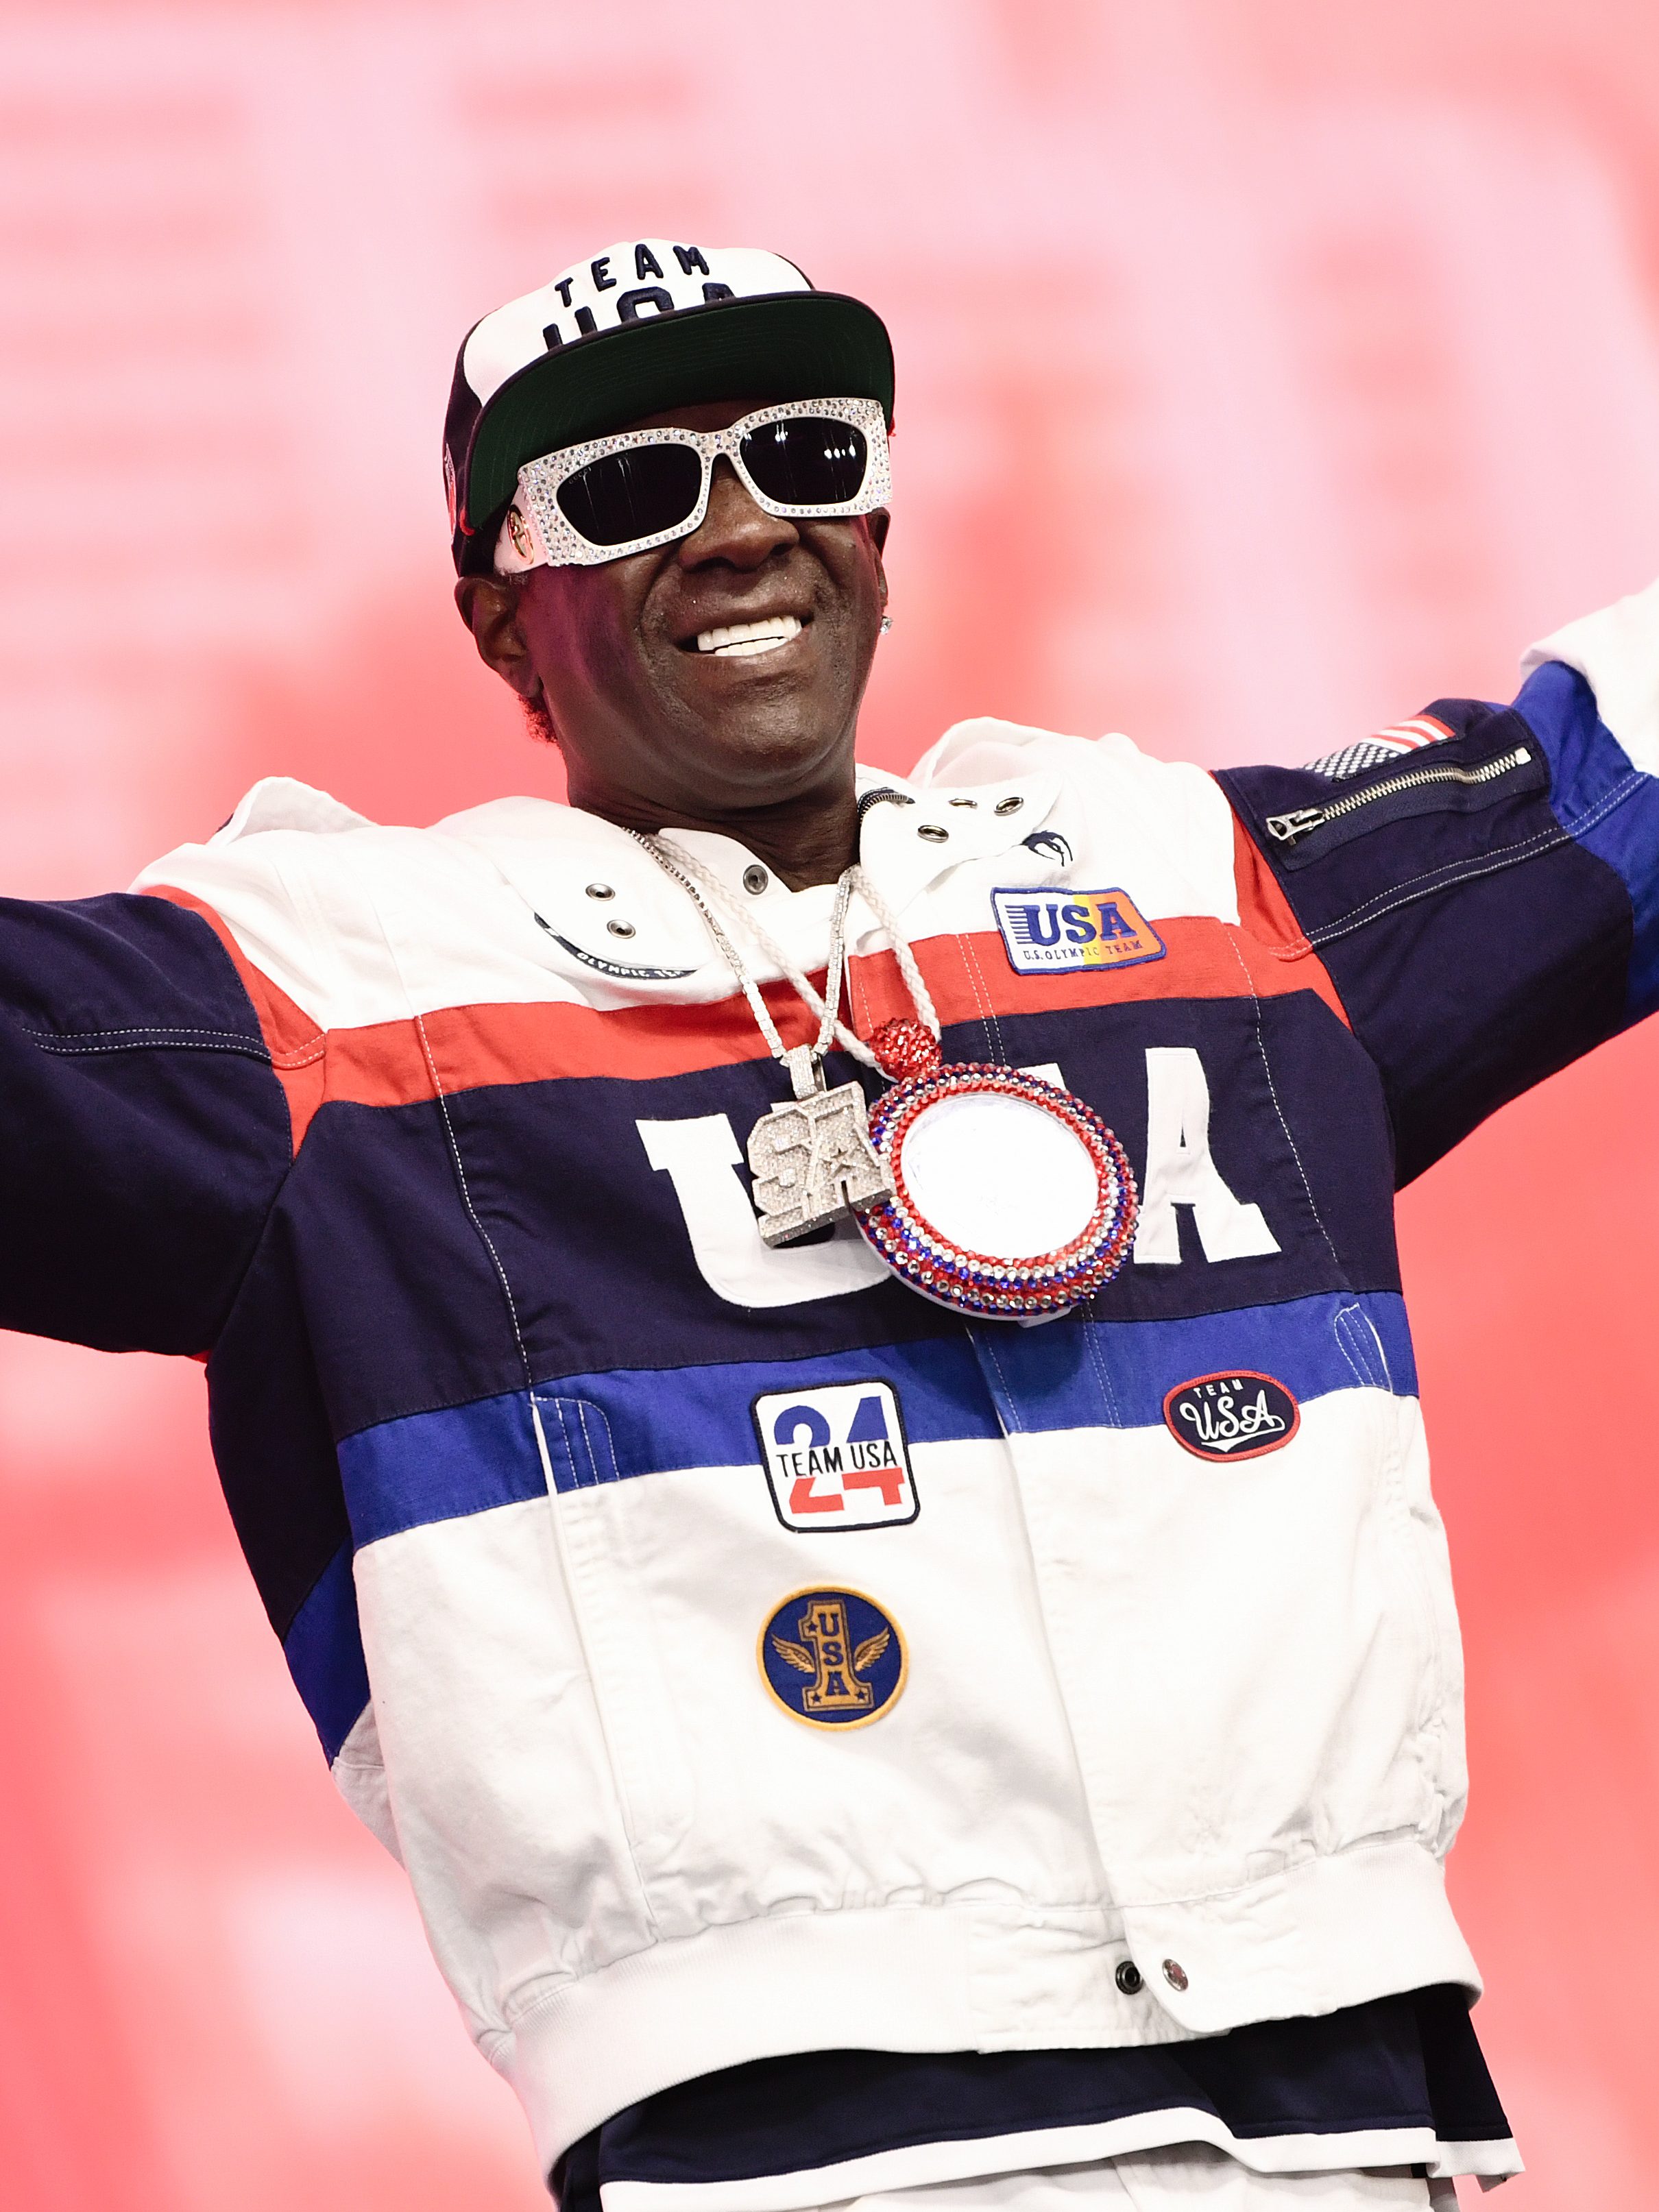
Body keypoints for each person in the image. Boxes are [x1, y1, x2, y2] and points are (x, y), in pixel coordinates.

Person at [11, 234, 1655, 2209]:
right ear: (497, 614)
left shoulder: (1199, 892)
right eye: (624, 490)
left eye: (798, 455)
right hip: (785, 2152)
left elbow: (1612, 764)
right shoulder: (327, 992)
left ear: (872, 528)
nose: (733, 532)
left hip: (1347, 2110)